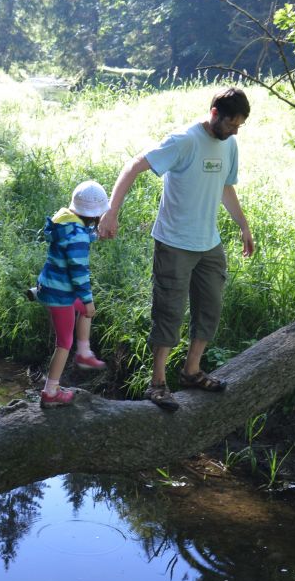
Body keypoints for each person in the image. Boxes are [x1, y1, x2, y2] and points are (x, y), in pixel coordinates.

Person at [97, 87, 256, 412]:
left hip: (208, 243)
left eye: (240, 125)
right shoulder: (184, 140)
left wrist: (243, 225)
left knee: (209, 308)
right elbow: (134, 165)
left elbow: (226, 186)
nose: (236, 130)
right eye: (232, 123)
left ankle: (191, 371)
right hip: (173, 242)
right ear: (214, 114)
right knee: (169, 311)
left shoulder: (230, 145)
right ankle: (157, 384)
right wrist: (111, 211)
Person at [33, 179, 110, 408]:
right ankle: (51, 391)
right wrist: (87, 300)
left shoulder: (66, 223)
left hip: (53, 284)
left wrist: (96, 236)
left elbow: (76, 236)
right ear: (95, 214)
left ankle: (84, 351)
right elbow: (79, 273)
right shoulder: (77, 235)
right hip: (61, 294)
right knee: (64, 342)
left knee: (85, 312)